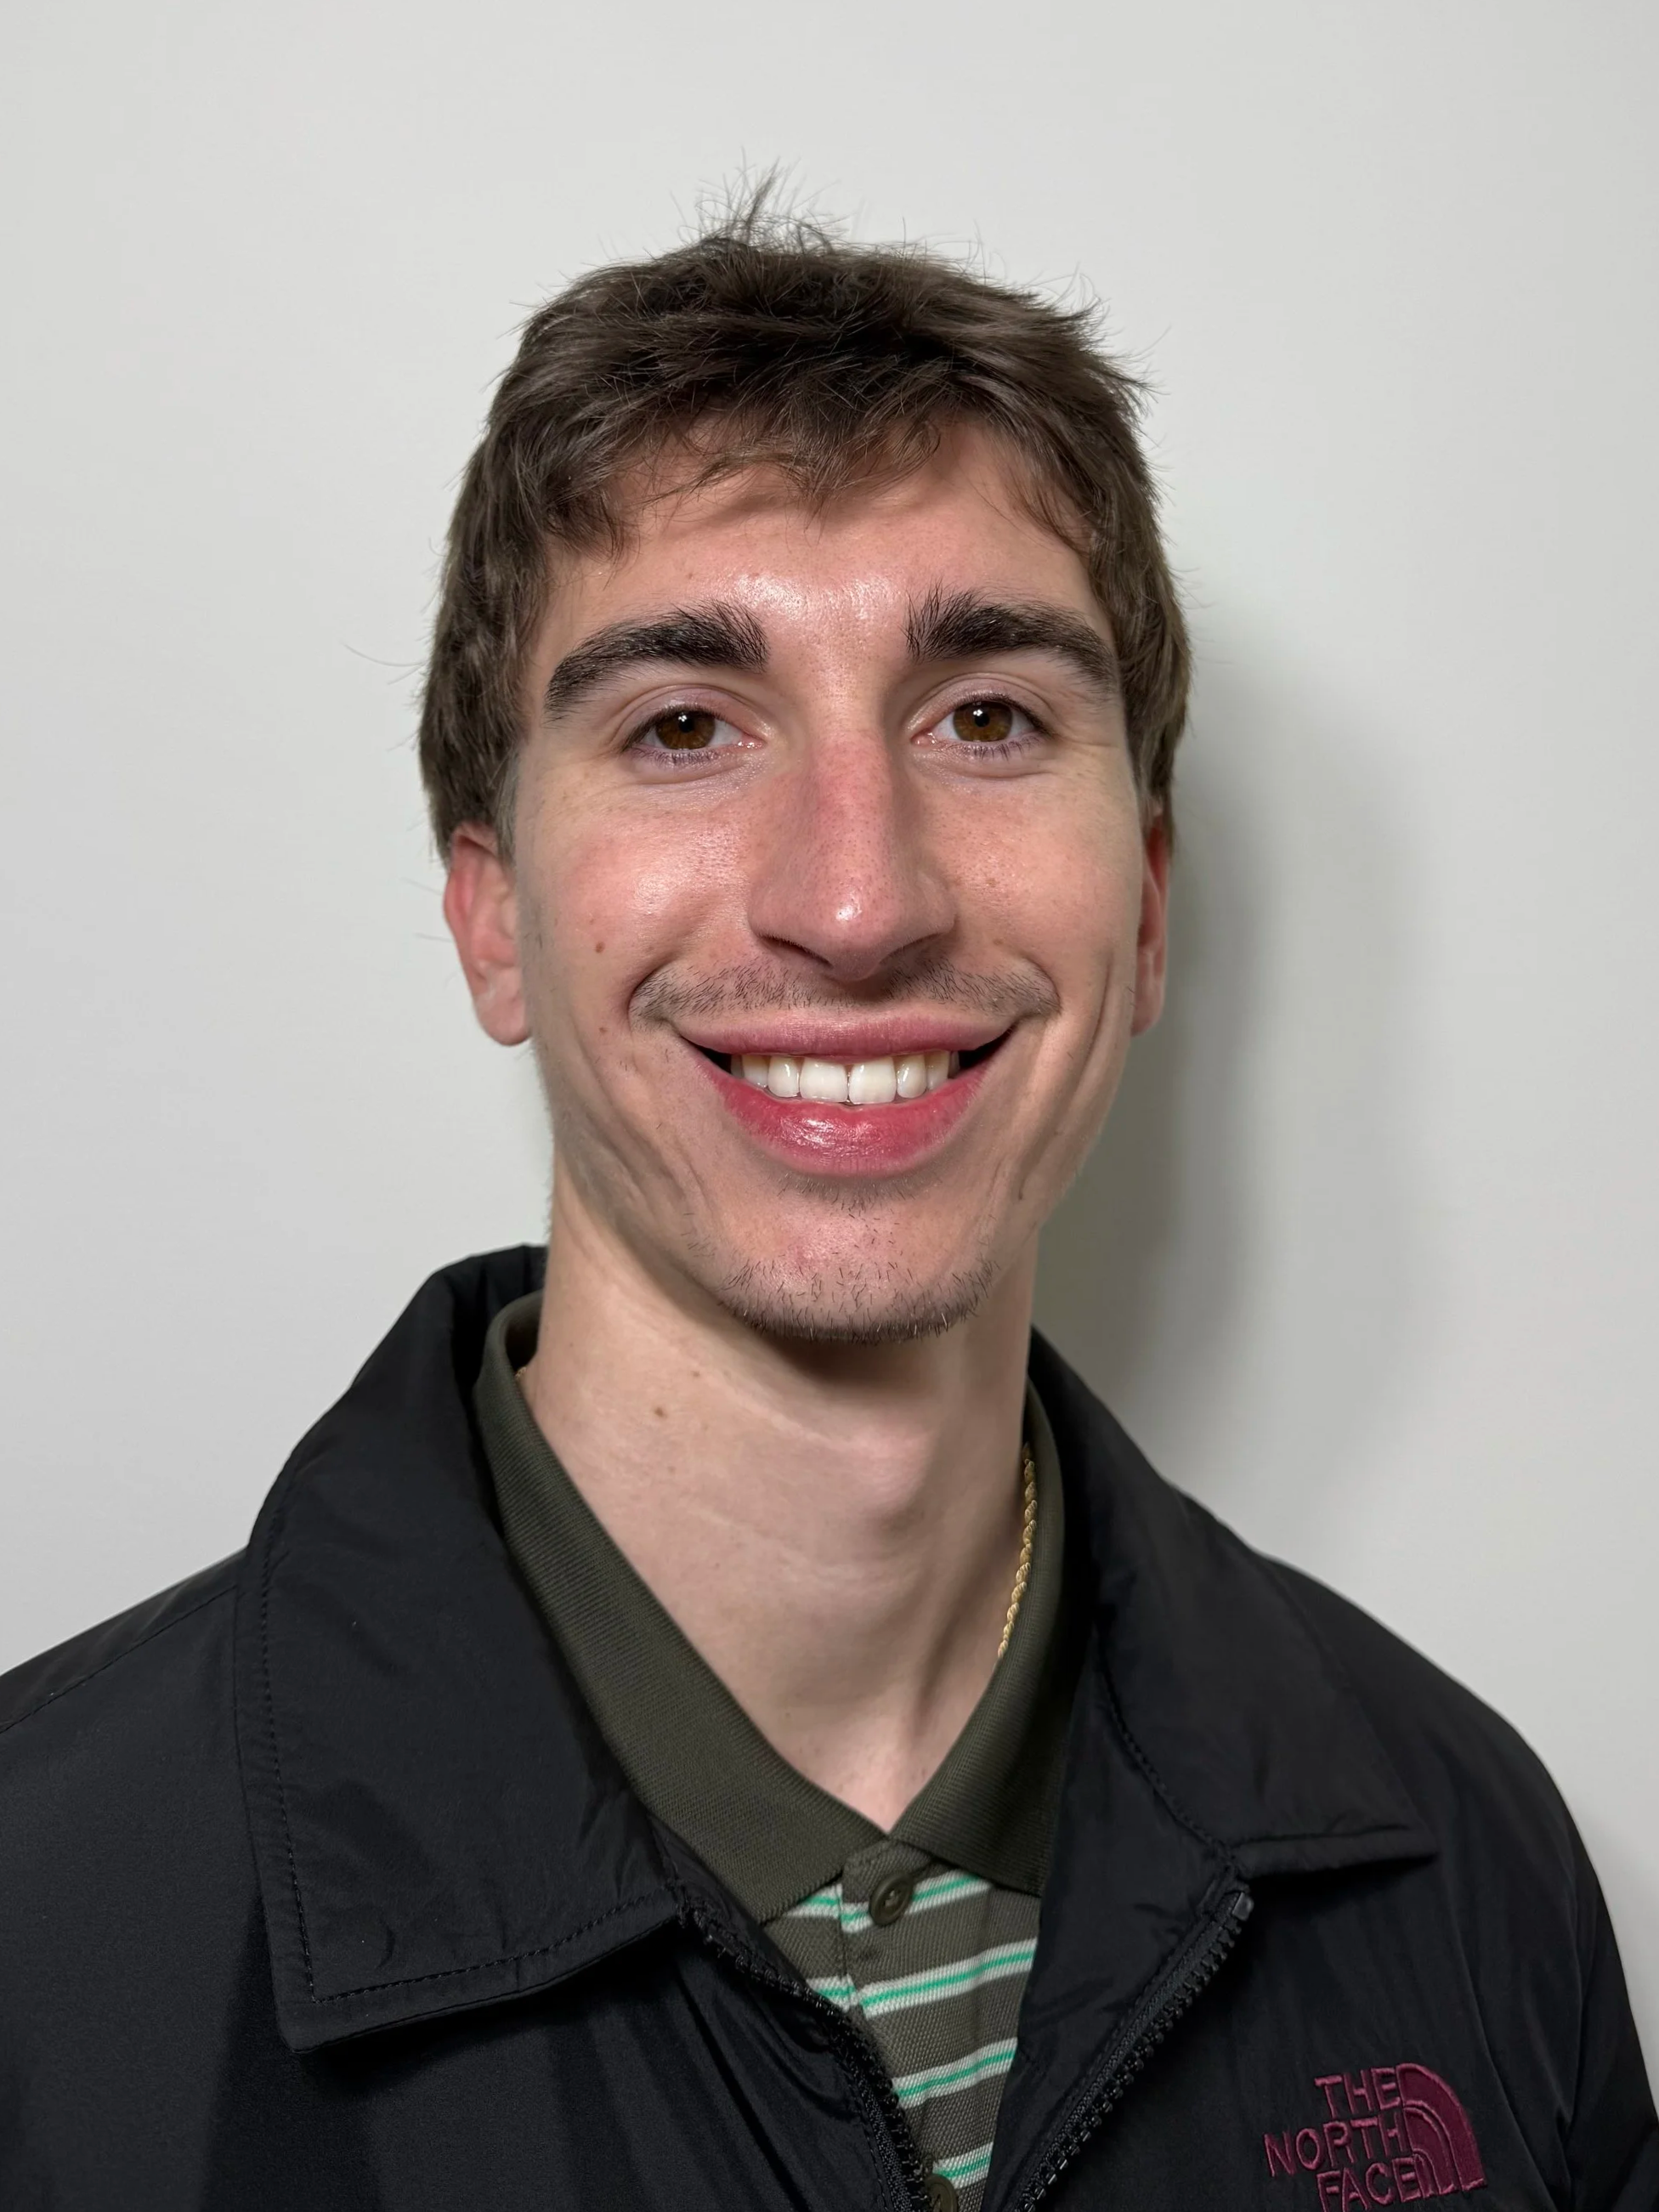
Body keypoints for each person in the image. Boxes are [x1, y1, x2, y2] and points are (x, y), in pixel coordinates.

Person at [2, 202, 1653, 2212]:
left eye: (986, 716)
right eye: (684, 725)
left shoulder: (1460, 1853)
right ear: (489, 913)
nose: (857, 899)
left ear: (1141, 906)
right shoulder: (42, 1921)